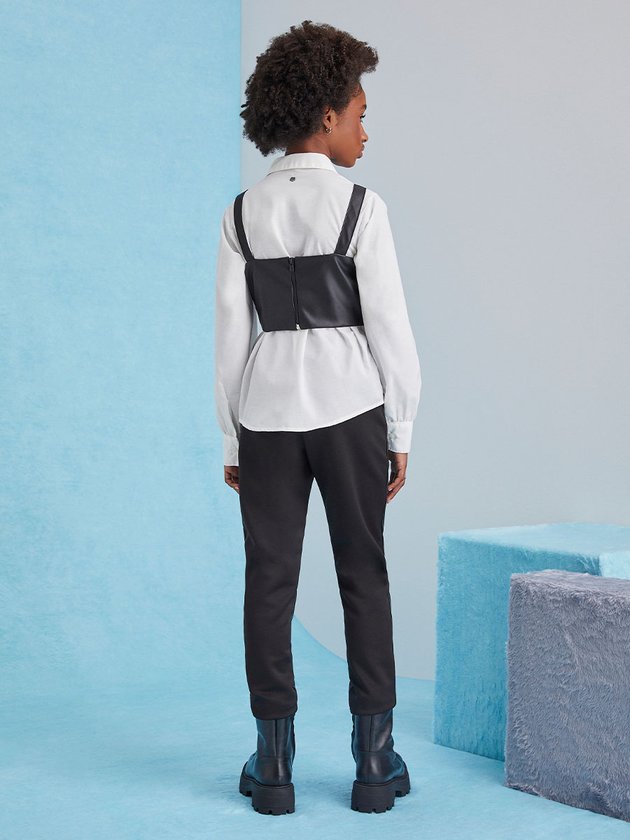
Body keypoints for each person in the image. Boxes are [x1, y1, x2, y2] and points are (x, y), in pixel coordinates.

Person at [214, 20, 421, 815]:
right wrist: (400, 429)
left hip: (265, 414)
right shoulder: (362, 207)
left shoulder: (241, 213)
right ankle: (374, 762)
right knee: (363, 574)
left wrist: (231, 435)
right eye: (360, 115)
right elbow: (389, 328)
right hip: (351, 409)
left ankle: (274, 767)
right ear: (326, 115)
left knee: (268, 581)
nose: (365, 132)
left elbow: (231, 338)